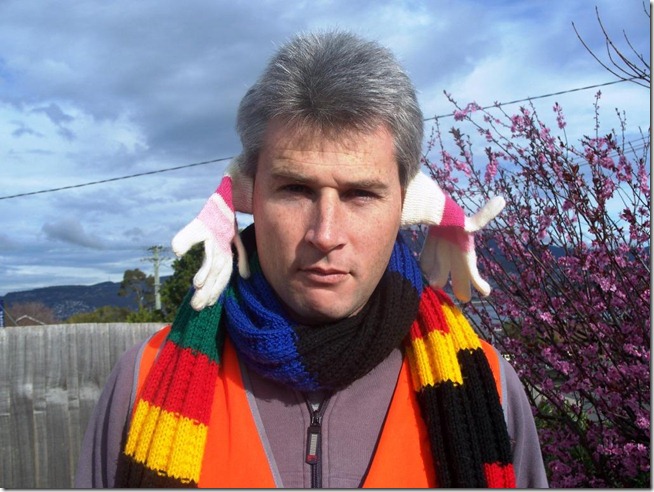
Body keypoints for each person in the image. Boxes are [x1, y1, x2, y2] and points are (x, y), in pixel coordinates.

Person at [75, 30, 548, 488]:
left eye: (361, 194)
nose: (325, 235)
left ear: (404, 205)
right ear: (249, 197)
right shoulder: (142, 381)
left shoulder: (492, 388)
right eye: (296, 189)